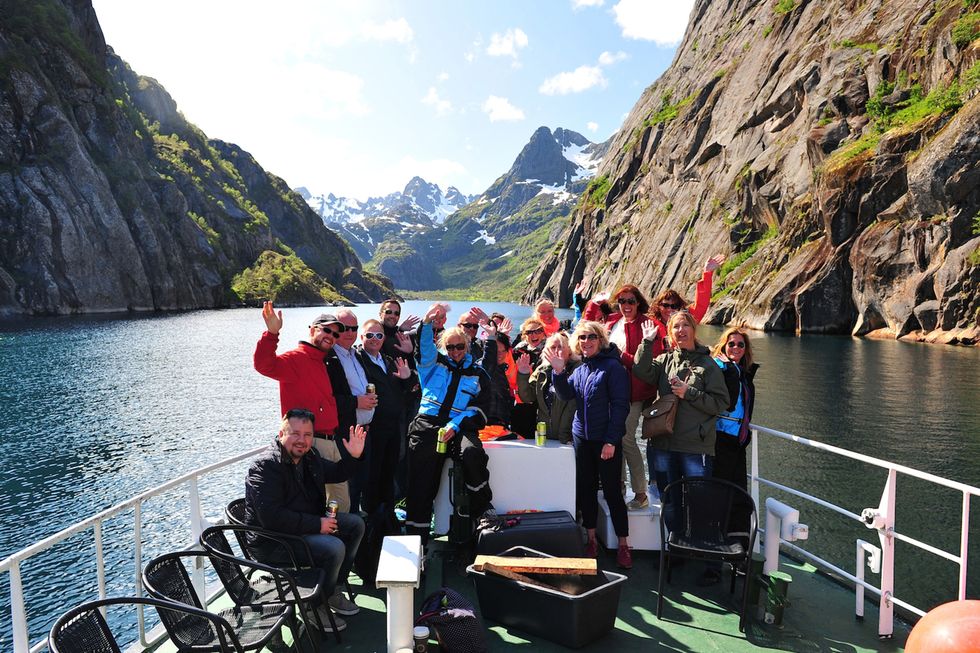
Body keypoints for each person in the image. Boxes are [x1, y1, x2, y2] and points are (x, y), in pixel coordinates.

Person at [244, 408, 367, 631]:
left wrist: (354, 456)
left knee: (355, 525)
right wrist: (317, 525)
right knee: (334, 547)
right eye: (295, 433)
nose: (302, 440)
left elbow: (338, 473)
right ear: (281, 434)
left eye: (308, 435)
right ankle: (313, 605)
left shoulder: (309, 458)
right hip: (273, 541)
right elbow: (271, 518)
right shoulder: (265, 467)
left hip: (302, 527)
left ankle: (331, 591)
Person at [632, 311, 730, 535]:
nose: (681, 330)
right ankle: (676, 548)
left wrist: (690, 393)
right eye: (676, 326)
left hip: (695, 447)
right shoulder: (665, 360)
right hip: (664, 445)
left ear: (694, 330)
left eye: (686, 325)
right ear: (670, 333)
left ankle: (704, 555)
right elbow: (641, 370)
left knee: (700, 502)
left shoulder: (708, 364)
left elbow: (721, 402)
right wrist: (646, 342)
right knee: (670, 501)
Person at [405, 304, 493, 547]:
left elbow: (480, 409)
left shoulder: (478, 374)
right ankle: (417, 540)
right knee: (421, 484)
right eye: (450, 346)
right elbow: (423, 347)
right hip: (426, 426)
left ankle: (484, 512)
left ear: (468, 345)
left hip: (459, 426)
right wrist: (425, 323)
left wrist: (456, 423)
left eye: (460, 346)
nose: (455, 351)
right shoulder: (432, 364)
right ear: (444, 347)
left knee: (473, 454)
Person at [548, 320, 633, 569]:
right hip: (582, 438)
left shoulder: (613, 368)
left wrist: (610, 441)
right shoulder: (581, 369)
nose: (586, 342)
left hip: (605, 440)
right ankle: (592, 539)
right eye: (582, 337)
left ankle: (624, 544)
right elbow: (565, 394)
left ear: (600, 339)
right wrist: (558, 371)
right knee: (585, 489)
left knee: (612, 492)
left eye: (591, 337)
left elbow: (621, 407)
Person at [583, 284, 659, 510]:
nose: (626, 305)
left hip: (634, 391)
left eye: (631, 301)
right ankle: (618, 486)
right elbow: (587, 328)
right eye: (622, 301)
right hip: (610, 391)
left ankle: (640, 493)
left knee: (625, 438)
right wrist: (595, 303)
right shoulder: (613, 321)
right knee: (613, 438)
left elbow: (645, 366)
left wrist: (619, 354)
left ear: (639, 303)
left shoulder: (648, 325)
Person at [355, 319, 416, 514]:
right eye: (369, 335)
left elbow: (405, 389)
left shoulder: (387, 360)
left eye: (379, 335)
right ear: (361, 337)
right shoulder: (358, 359)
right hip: (373, 428)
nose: (375, 339)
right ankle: (372, 520)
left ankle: (387, 517)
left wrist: (407, 378)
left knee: (389, 473)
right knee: (372, 475)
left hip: (393, 427)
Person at [710, 327, 759, 538]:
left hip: (738, 440)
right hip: (720, 438)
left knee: (738, 493)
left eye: (741, 344)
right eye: (731, 344)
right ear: (723, 346)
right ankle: (715, 541)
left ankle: (738, 544)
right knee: (720, 492)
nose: (736, 347)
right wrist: (730, 370)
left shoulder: (742, 371)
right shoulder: (720, 368)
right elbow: (728, 404)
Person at [328, 309, 377, 514]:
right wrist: (356, 402)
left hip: (364, 431)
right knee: (347, 487)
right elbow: (329, 399)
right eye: (344, 328)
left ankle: (360, 526)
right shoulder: (329, 358)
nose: (349, 332)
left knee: (361, 483)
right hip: (345, 433)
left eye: (354, 328)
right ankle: (347, 530)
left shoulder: (355, 354)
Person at [648, 255, 725, 349]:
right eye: (665, 305)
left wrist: (707, 273)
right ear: (658, 306)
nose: (669, 309)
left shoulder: (687, 318)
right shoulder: (649, 324)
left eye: (674, 306)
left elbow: (702, 303)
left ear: (679, 307)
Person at [517, 331, 578, 444]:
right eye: (552, 347)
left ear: (569, 350)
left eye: (560, 347)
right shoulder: (541, 370)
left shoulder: (578, 369)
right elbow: (528, 397)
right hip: (545, 436)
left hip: (570, 438)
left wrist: (560, 371)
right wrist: (523, 374)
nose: (556, 351)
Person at [511, 317, 548, 438]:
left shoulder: (550, 349)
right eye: (529, 332)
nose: (534, 335)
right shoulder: (518, 352)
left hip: (543, 402)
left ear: (543, 332)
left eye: (538, 331)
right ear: (524, 335)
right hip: (522, 401)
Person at [479, 323, 516, 428]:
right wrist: (491, 337)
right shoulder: (482, 368)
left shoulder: (503, 369)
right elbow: (488, 363)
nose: (499, 355)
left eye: (502, 351)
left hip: (501, 425)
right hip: (485, 426)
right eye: (495, 351)